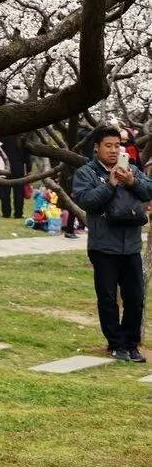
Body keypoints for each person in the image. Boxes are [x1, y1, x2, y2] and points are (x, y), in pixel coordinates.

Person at [73, 124, 152, 362]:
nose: (113, 151)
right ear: (97, 148)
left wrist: (131, 181)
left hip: (131, 246)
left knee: (135, 298)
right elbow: (87, 201)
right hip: (103, 245)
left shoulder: (132, 169)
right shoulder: (86, 173)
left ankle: (131, 344)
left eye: (117, 146)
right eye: (108, 146)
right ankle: (115, 344)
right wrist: (110, 184)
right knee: (107, 298)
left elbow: (148, 191)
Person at [0, 134, 31, 219]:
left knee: (5, 191)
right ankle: (18, 213)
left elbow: (0, 150)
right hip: (19, 168)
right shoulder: (22, 138)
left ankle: (6, 212)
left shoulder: (4, 137)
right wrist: (29, 169)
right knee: (19, 192)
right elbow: (27, 156)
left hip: (6, 167)